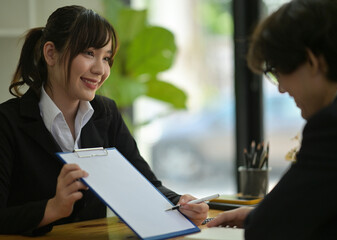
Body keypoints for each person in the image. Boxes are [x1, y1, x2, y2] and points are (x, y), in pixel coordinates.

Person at [0, 5, 208, 236]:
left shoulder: (105, 113)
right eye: (89, 53)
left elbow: (145, 184)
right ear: (51, 53)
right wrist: (52, 208)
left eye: (106, 57)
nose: (100, 69)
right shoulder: (7, 122)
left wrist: (181, 203)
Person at [208, 0, 337, 239]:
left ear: (312, 60)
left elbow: (268, 230)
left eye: (277, 71)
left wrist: (263, 217)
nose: (281, 89)